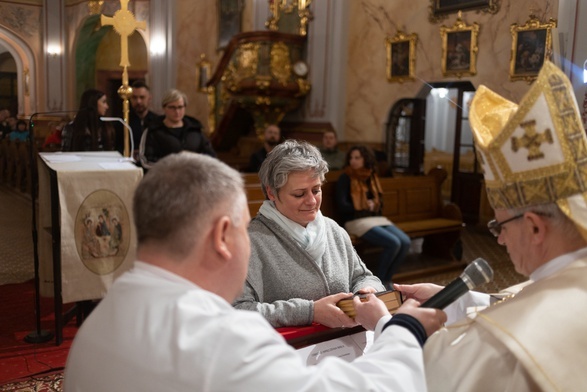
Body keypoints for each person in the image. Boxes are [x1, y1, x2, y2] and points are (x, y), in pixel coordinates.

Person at [64, 151, 447, 391]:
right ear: (221, 237)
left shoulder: (100, 320)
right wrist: (405, 329)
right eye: (244, 226)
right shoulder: (223, 338)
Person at [394, 61, 587, 391]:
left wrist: (396, 328)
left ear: (535, 227)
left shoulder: (502, 348)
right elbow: (527, 299)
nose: (498, 240)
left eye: (501, 226)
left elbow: (432, 377)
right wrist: (455, 300)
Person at [234, 140, 386, 328]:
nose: (312, 201)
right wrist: (309, 311)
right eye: (299, 194)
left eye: (316, 190)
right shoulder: (250, 242)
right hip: (288, 352)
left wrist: (368, 289)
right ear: (271, 193)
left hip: (347, 346)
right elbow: (237, 311)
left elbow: (363, 276)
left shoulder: (333, 229)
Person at [335, 145, 411, 286]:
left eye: (357, 157)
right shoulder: (345, 177)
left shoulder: (371, 176)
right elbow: (343, 206)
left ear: (365, 159)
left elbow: (379, 203)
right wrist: (363, 206)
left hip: (374, 218)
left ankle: (388, 279)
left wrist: (374, 204)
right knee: (393, 243)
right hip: (355, 220)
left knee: (405, 242)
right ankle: (379, 282)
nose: (353, 161)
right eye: (351, 158)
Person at [139, 88, 215, 168]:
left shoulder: (195, 129)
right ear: (164, 108)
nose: (177, 112)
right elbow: (146, 160)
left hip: (194, 175)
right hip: (165, 176)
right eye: (172, 108)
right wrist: (174, 167)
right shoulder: (153, 130)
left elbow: (210, 155)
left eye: (180, 107)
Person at [128, 80, 158, 152]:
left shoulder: (157, 121)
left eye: (142, 97)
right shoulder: (123, 121)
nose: (138, 101)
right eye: (134, 97)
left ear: (149, 98)